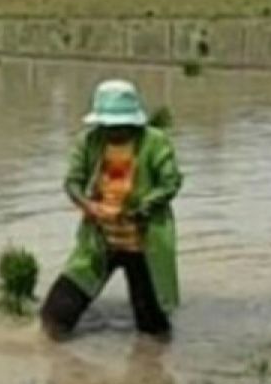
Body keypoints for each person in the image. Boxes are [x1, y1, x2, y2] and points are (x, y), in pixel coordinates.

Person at [40, 80, 182, 340]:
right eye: (109, 126)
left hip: (143, 243)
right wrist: (88, 206)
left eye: (121, 126)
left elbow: (171, 182)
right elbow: (72, 182)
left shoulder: (156, 142)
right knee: (55, 316)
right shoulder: (89, 141)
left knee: (154, 331)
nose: (115, 131)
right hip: (100, 240)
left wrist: (140, 209)